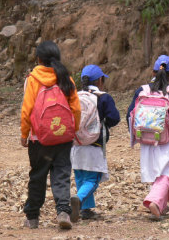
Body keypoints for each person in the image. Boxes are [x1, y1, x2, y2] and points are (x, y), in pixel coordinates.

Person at [20, 41, 81, 229]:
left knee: (37, 175)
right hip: (63, 137)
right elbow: (76, 108)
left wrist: (24, 133)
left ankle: (32, 218)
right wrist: (73, 130)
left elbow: (27, 109)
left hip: (40, 139)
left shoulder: (33, 79)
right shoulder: (65, 77)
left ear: (39, 59)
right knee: (61, 174)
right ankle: (63, 211)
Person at [126, 55, 169, 219]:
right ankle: (154, 202)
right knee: (166, 173)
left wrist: (135, 135)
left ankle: (161, 205)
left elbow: (129, 114)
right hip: (166, 139)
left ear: (153, 72)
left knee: (154, 171)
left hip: (145, 137)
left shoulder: (142, 91)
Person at [70, 64, 120, 222]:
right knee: (93, 178)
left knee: (80, 176)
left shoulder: (75, 96)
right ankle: (78, 199)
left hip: (75, 144)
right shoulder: (103, 97)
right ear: (100, 80)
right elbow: (114, 118)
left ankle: (85, 210)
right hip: (95, 144)